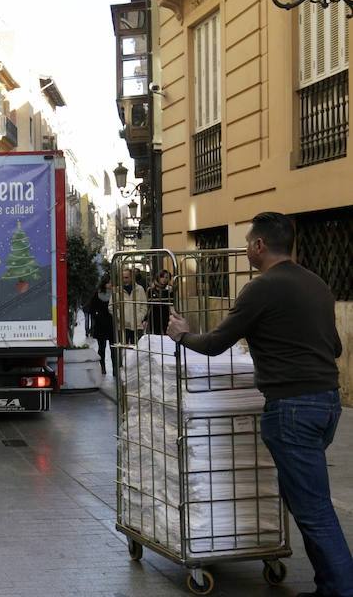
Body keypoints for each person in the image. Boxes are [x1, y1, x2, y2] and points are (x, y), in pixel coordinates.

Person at [167, 212, 351, 597]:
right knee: (302, 497)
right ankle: (329, 584)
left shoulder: (261, 289)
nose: (248, 247)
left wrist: (183, 337)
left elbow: (217, 343)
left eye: (250, 241)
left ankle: (340, 588)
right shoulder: (316, 284)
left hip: (293, 406)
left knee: (313, 506)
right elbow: (335, 347)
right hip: (327, 403)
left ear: (260, 246)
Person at [86, 275, 115, 375]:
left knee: (113, 348)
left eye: (111, 282)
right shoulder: (97, 294)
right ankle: (102, 367)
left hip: (113, 324)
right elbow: (91, 308)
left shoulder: (116, 294)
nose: (110, 284)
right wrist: (96, 316)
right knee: (101, 348)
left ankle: (115, 369)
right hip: (100, 325)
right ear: (104, 283)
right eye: (108, 282)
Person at [110, 268, 147, 344]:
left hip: (137, 325)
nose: (124, 280)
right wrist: (120, 316)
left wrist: (140, 316)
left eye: (126, 277)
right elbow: (111, 306)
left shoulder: (140, 289)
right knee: (123, 351)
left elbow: (144, 305)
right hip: (123, 326)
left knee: (137, 350)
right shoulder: (117, 290)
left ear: (132, 277)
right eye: (122, 278)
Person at [144, 269, 174, 335]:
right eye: (162, 277)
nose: (164, 279)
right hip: (154, 314)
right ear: (158, 277)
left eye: (166, 277)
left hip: (165, 314)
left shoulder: (169, 289)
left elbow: (172, 302)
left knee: (167, 333)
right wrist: (145, 319)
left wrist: (170, 292)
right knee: (155, 334)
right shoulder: (151, 289)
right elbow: (148, 305)